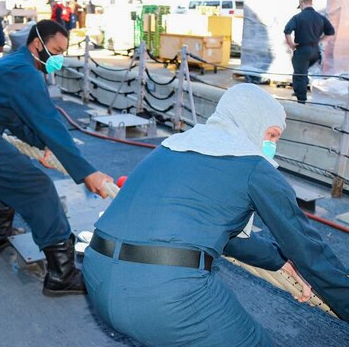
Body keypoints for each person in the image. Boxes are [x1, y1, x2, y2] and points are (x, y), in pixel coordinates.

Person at [83, 84, 349, 346]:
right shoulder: (254, 166)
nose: (271, 146)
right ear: (252, 122)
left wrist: (278, 261)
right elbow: (308, 249)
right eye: (272, 135)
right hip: (166, 295)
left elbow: (212, 232)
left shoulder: (169, 147)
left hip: (97, 277)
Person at [0, 20, 113, 296]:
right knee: (37, 187)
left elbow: (18, 121)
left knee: (11, 171)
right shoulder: (24, 72)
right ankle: (61, 273)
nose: (58, 58)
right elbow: (49, 121)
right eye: (55, 50)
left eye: (63, 52)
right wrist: (87, 172)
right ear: (38, 44)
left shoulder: (17, 65)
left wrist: (42, 145)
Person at [284, 0, 335, 103]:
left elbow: (287, 31)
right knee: (303, 71)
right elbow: (330, 32)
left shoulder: (298, 17)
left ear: (302, 4)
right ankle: (300, 90)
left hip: (303, 50)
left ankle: (301, 99)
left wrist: (291, 44)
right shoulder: (320, 17)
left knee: (299, 74)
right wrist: (319, 40)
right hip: (315, 52)